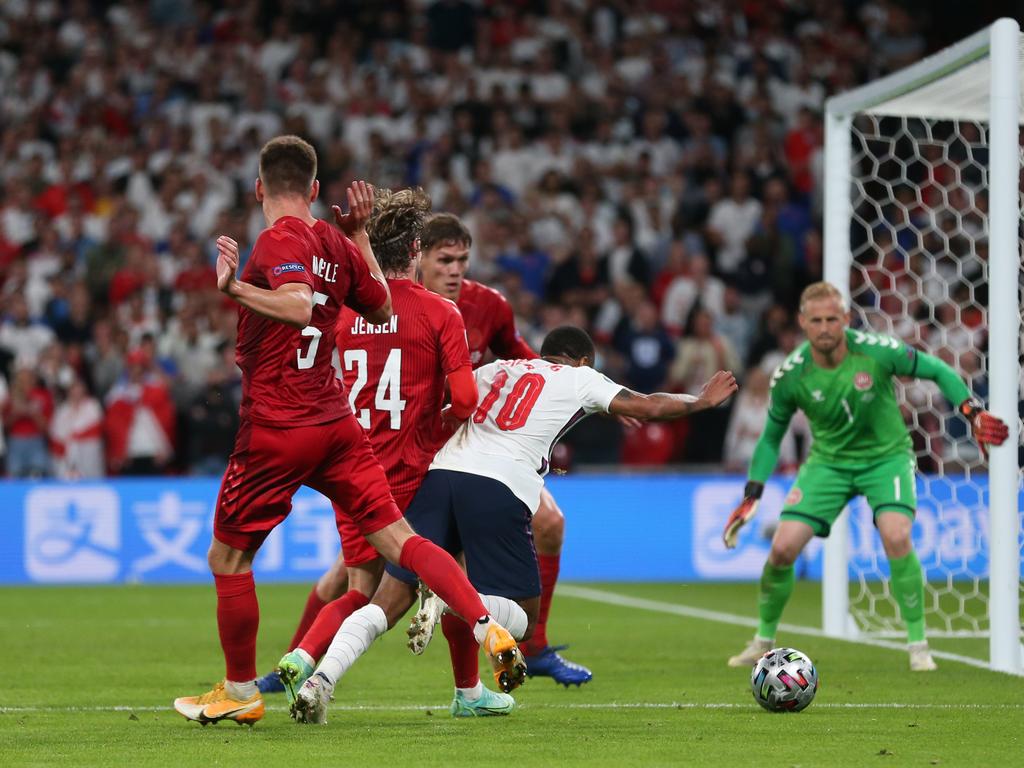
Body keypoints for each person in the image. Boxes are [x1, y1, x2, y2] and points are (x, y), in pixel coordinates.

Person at [172, 135, 521, 727]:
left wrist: (233, 288)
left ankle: (239, 690)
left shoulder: (282, 238)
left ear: (260, 189)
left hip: (279, 423)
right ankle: (487, 627)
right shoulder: (335, 241)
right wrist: (358, 234)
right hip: (336, 426)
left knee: (229, 560)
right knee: (401, 543)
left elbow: (298, 304)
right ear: (313, 189)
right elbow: (383, 307)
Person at [289, 325, 737, 724]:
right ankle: (450, 602)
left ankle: (321, 681)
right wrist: (701, 401)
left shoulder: (497, 369)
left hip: (439, 477)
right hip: (499, 488)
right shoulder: (581, 378)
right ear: (583, 361)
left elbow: (446, 409)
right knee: (524, 617)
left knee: (385, 602)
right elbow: (649, 407)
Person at [722, 281, 1009, 672]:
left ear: (845, 319)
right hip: (829, 463)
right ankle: (763, 639)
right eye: (817, 320)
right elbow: (771, 438)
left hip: (885, 458)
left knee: (896, 535)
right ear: (803, 323)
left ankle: (918, 645)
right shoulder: (790, 375)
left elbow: (938, 369)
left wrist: (972, 411)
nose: (825, 328)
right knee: (783, 549)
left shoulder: (877, 352)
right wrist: (753, 493)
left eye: (832, 319)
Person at [417, 212, 594, 685]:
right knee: (352, 577)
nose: (455, 270)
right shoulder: (395, 304)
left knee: (551, 524)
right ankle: (295, 662)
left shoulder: (488, 306)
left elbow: (529, 367)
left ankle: (531, 648)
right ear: (419, 260)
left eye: (462, 260)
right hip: (415, 448)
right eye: (445, 260)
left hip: (478, 444)